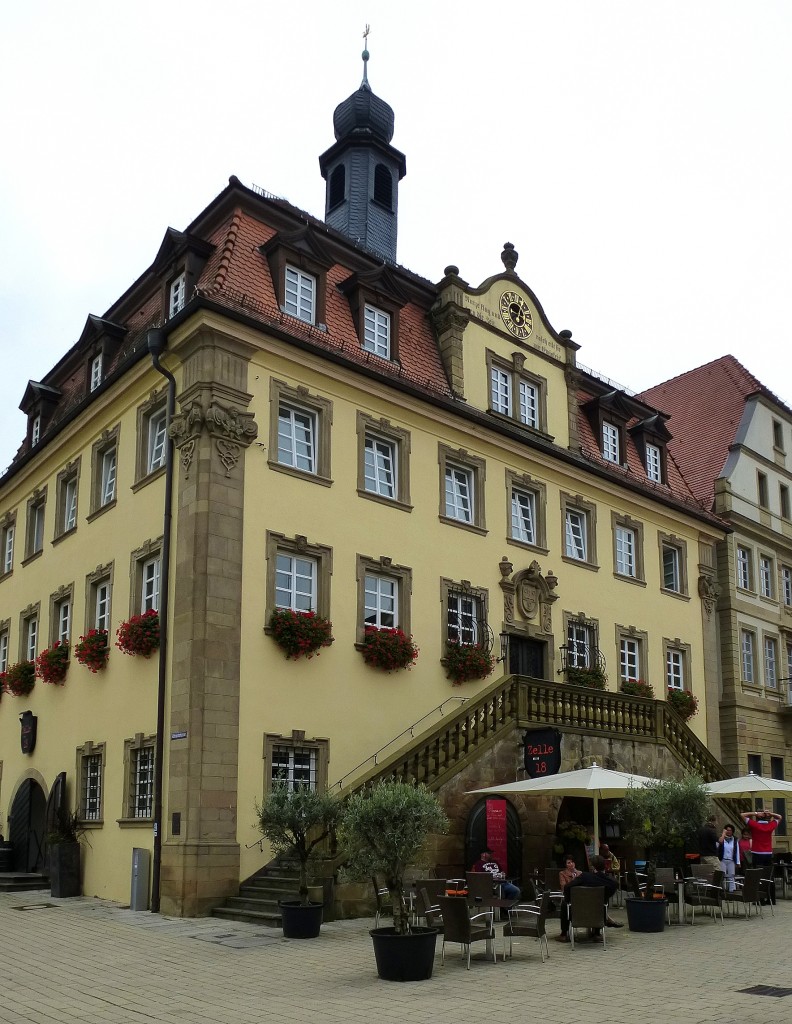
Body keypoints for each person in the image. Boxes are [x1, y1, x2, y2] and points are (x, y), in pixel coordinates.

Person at [555, 855, 619, 943]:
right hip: (598, 913)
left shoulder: (585, 877)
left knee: (565, 904)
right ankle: (597, 933)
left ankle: (564, 934)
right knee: (604, 902)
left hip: (578, 913)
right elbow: (609, 894)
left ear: (593, 867)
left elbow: (567, 887)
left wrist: (569, 899)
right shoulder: (612, 882)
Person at [740, 808, 782, 904]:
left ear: (758, 818)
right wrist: (770, 813)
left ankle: (760, 899)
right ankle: (771, 899)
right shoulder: (771, 825)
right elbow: (780, 817)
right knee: (769, 876)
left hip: (757, 853)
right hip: (768, 853)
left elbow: (742, 815)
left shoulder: (755, 825)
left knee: (758, 876)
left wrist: (756, 813)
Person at [717, 823, 740, 892]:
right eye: (727, 830)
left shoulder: (735, 840)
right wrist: (723, 836)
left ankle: (731, 891)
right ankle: (722, 891)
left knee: (731, 876)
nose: (729, 832)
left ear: (732, 831)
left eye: (730, 830)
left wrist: (738, 862)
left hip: (731, 860)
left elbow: (737, 851)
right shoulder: (722, 839)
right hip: (722, 860)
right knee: (722, 876)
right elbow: (717, 846)